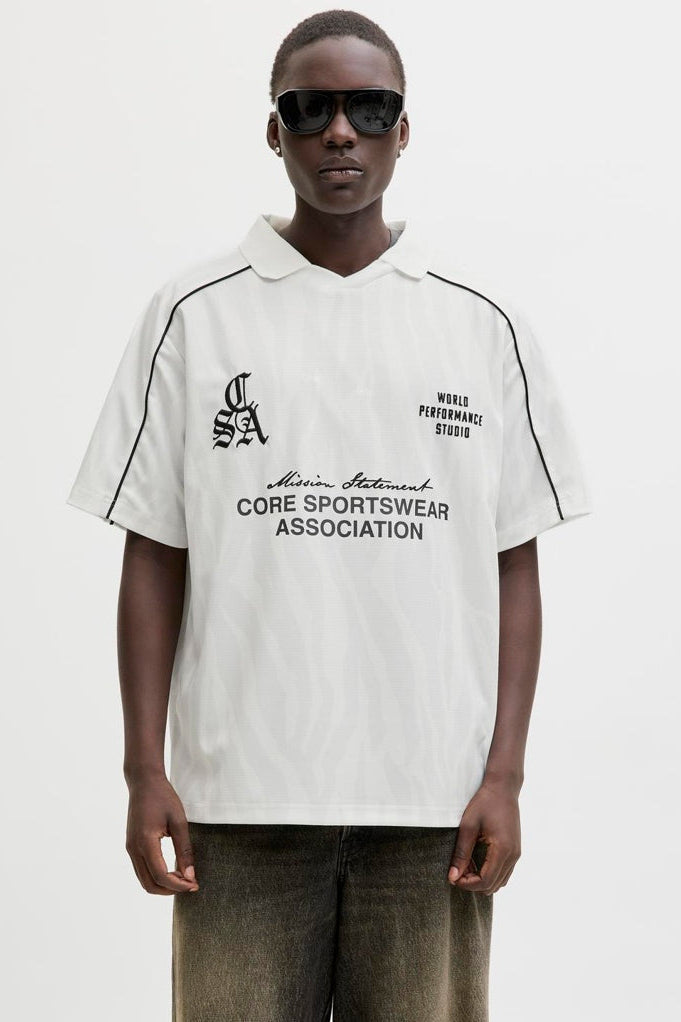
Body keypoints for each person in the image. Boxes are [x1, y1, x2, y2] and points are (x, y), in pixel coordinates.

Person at [65, 9, 593, 1021]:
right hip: (239, 807)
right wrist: (142, 769)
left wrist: (505, 776)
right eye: (310, 109)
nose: (340, 131)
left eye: (369, 108)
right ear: (275, 131)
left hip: (432, 810)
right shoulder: (194, 314)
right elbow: (154, 550)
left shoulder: (479, 322)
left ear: (404, 129)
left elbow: (512, 561)